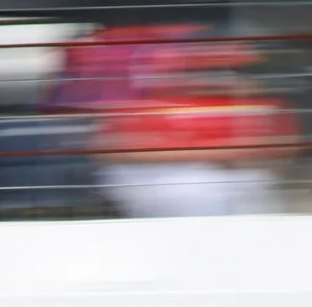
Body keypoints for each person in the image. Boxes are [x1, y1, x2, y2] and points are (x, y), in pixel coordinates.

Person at [94, 40, 297, 218]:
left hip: (236, 184)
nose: (218, 78)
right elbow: (110, 147)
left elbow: (275, 149)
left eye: (231, 72)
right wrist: (208, 153)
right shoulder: (148, 106)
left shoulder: (261, 106)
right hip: (169, 184)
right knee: (193, 186)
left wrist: (204, 151)